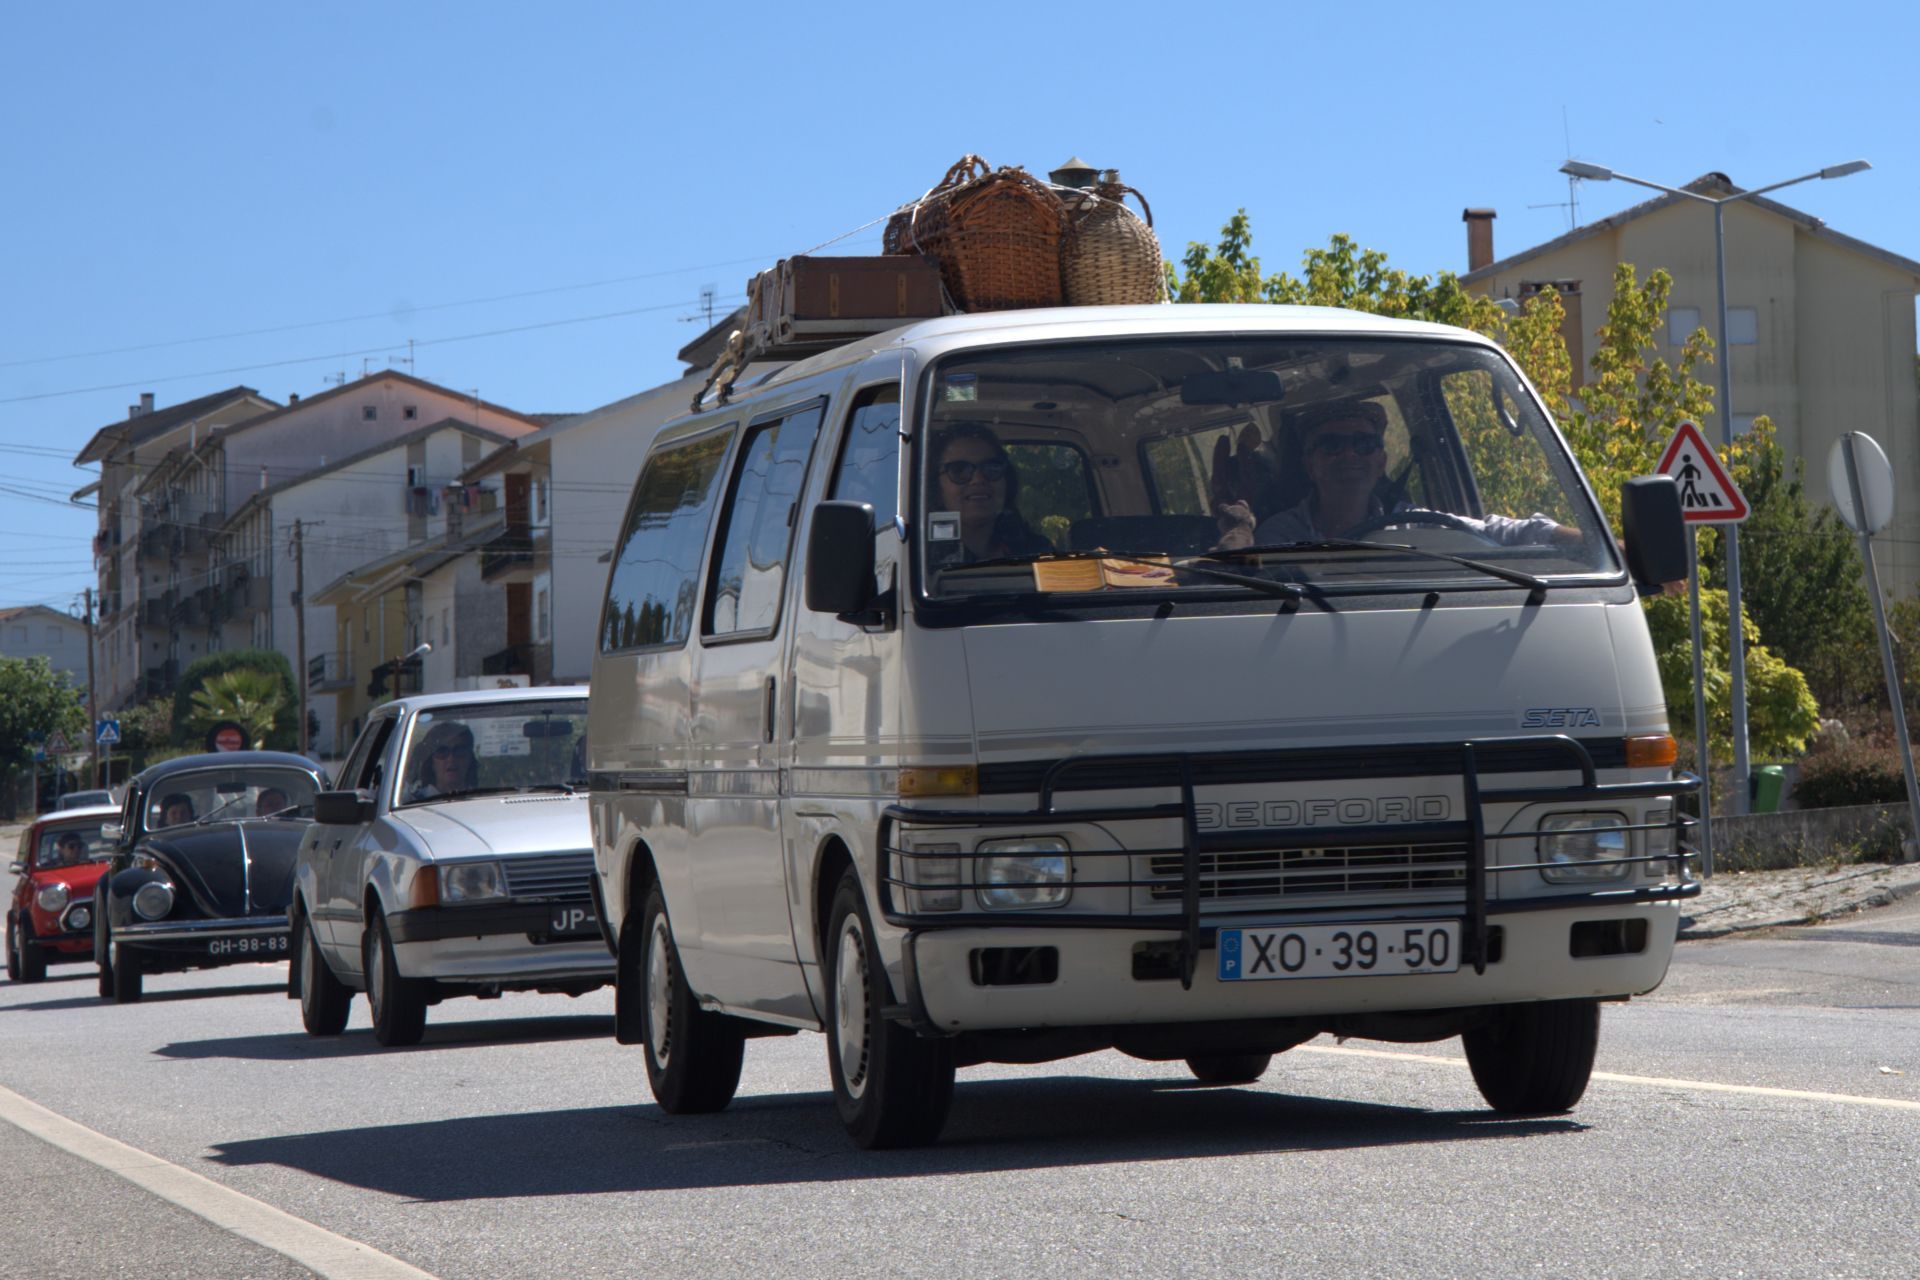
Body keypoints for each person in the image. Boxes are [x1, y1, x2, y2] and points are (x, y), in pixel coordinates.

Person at [1220, 401, 1582, 550]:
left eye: (1363, 444)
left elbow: (1493, 533)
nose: (1349, 454)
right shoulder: (1279, 538)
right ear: (1310, 465)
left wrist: (1597, 546)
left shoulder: (1413, 527)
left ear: (1381, 461)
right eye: (1331, 444)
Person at [929, 424, 1053, 563]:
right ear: (935, 487)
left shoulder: (1038, 551)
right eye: (959, 470)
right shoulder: (918, 558)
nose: (978, 479)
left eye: (991, 468)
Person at [406, 720, 478, 803]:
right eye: (442, 751)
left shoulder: (488, 799)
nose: (451, 758)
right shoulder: (411, 802)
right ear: (431, 762)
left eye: (460, 750)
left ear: (470, 759)